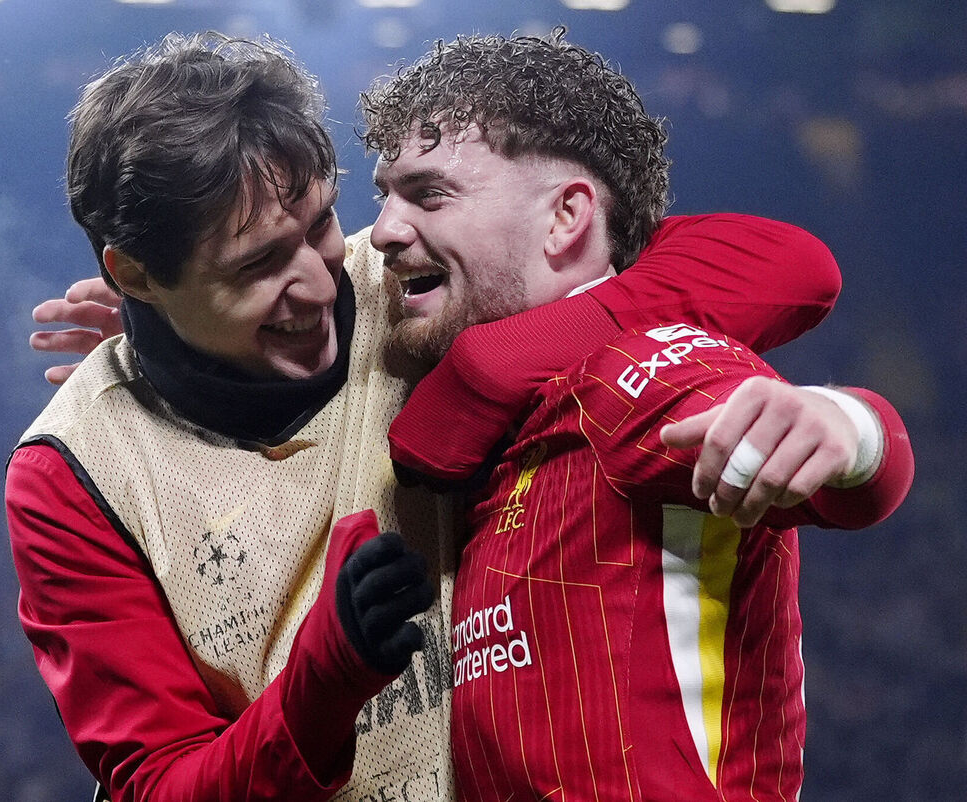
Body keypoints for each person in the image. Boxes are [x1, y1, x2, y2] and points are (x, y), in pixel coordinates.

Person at [10, 31, 906, 802]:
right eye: (255, 268)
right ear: (136, 277)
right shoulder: (75, 473)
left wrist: (489, 365)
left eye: (321, 223)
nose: (324, 281)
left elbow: (777, 268)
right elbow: (160, 785)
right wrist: (322, 685)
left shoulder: (413, 288)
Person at [362, 32, 913, 800]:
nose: (383, 231)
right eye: (383, 194)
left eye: (429, 195)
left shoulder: (645, 370)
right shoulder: (515, 409)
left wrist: (843, 426)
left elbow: (828, 464)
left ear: (565, 218)